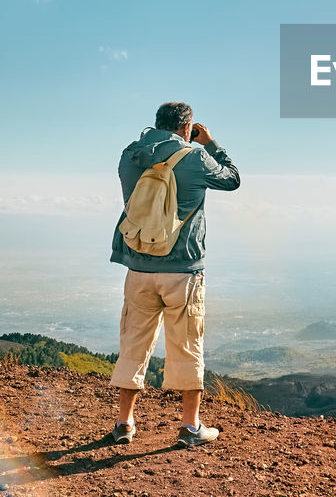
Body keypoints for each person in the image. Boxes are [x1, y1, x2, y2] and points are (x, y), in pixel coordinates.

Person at [108, 101, 241, 447]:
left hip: (138, 266)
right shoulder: (195, 158)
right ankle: (189, 427)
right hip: (183, 269)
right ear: (187, 127)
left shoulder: (131, 155)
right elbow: (232, 179)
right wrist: (209, 143)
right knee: (186, 344)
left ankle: (124, 423)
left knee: (133, 343)